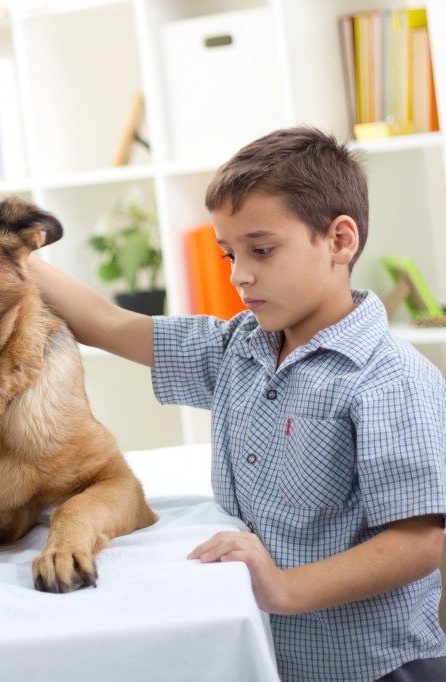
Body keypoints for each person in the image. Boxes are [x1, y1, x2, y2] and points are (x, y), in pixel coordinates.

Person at [30, 126, 446, 682]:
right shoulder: (238, 347)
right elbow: (109, 323)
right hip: (269, 655)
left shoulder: (391, 380)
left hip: (374, 668)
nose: (238, 275)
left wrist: (284, 589)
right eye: (228, 254)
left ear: (340, 241)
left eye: (262, 250)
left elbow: (417, 543)